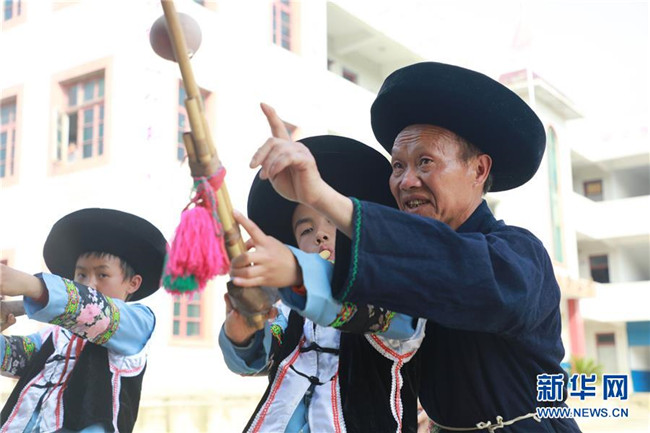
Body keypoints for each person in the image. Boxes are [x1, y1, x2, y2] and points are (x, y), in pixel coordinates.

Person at [245, 64, 581, 432]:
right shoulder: (401, 269)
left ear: (479, 170)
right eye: (397, 166)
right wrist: (286, 280)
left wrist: (319, 199)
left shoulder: (519, 254)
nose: (406, 181)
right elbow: (357, 311)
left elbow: (454, 271)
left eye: (425, 162)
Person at [220, 134, 425, 432]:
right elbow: (258, 358)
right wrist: (242, 331)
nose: (320, 235)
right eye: (306, 230)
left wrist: (300, 275)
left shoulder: (392, 294)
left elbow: (398, 321)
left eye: (334, 221)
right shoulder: (288, 313)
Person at [0, 208, 167, 433]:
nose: (89, 284)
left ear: (133, 283)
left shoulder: (138, 323)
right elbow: (14, 357)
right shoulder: (54, 336)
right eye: (81, 275)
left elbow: (96, 311)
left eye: (102, 275)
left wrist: (32, 286)